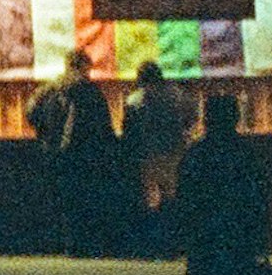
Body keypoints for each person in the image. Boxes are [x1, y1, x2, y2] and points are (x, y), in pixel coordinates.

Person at [176, 92, 272, 275]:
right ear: (235, 117)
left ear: (207, 119)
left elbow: (186, 198)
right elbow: (258, 195)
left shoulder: (196, 154)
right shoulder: (247, 153)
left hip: (207, 233)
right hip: (240, 232)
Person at [28, 51, 123, 257]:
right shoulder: (89, 91)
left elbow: (31, 112)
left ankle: (63, 244)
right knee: (85, 198)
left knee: (61, 197)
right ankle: (84, 244)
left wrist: (44, 134)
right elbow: (103, 126)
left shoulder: (48, 89)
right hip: (84, 153)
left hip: (53, 152)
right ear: (83, 66)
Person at [123, 62, 193, 240]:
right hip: (175, 151)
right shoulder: (178, 95)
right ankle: (175, 237)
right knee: (172, 194)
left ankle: (155, 239)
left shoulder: (135, 99)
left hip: (148, 153)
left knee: (151, 197)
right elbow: (191, 118)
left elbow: (129, 129)